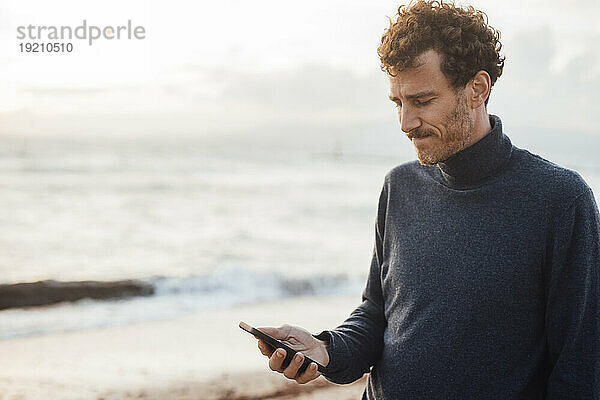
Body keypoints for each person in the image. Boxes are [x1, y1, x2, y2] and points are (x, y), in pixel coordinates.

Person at [255, 1, 600, 398]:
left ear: (477, 89)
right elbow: (377, 315)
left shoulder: (560, 200)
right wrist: (327, 349)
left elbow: (579, 370)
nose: (405, 123)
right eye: (397, 103)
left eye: (421, 101)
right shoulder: (399, 187)